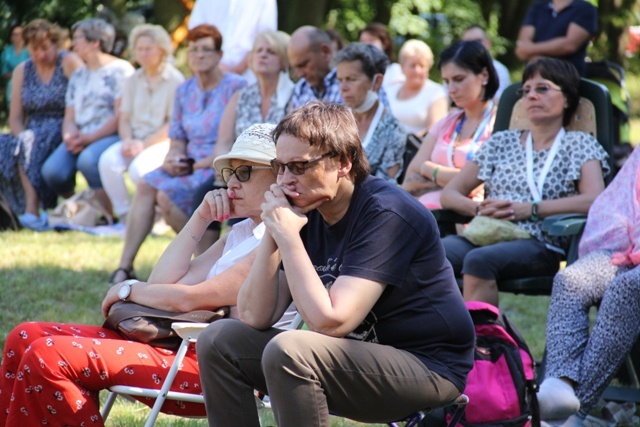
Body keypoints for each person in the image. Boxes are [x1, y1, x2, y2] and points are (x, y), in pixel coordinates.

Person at [196, 101, 475, 427]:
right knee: (219, 339)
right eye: (280, 167)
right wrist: (274, 231)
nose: (286, 179)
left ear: (343, 162)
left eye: (299, 166)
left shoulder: (387, 213)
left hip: (427, 366)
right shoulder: (304, 210)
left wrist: (288, 237)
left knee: (290, 349)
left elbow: (331, 322)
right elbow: (254, 315)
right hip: (352, 361)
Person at [0, 123, 279, 427]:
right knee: (24, 336)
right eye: (229, 173)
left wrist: (128, 290)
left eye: (245, 172)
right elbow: (164, 285)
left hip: (214, 370)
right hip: (177, 346)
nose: (231, 184)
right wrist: (200, 218)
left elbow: (190, 300)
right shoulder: (241, 232)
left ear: (280, 175)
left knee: (49, 355)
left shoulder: (276, 238)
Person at [440, 57, 609, 307]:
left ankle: (485, 343)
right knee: (427, 252)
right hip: (487, 231)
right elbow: (450, 194)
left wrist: (531, 209)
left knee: (478, 261)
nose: (531, 96)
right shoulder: (502, 142)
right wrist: (478, 209)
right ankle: (434, 337)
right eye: (526, 90)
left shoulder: (579, 145)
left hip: (541, 242)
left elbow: (595, 199)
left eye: (542, 88)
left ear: (567, 98)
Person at [108, 24, 246, 284]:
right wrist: (173, 157)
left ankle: (204, 260)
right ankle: (125, 266)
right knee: (147, 184)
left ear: (219, 54)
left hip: (217, 165)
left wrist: (194, 164)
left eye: (206, 49)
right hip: (188, 164)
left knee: (165, 196)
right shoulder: (184, 90)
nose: (199, 55)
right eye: (193, 50)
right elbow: (178, 138)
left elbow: (236, 141)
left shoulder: (236, 86)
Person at [537, 146, 640, 426]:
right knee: (571, 280)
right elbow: (620, 201)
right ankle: (559, 384)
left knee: (627, 288)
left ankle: (572, 413)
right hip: (626, 247)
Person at [193, 29, 293, 248]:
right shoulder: (241, 96)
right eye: (259, 51)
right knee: (204, 193)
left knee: (244, 195)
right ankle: (204, 262)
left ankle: (232, 258)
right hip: (236, 170)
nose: (263, 55)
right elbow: (223, 140)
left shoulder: (294, 96)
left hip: (270, 173)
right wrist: (224, 171)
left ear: (284, 59)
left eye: (271, 52)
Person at [40, 18, 135, 224]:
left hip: (111, 134)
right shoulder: (78, 75)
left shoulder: (121, 70)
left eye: (77, 39)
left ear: (96, 42)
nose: (73, 44)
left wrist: (90, 138)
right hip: (80, 136)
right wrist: (68, 135)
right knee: (52, 172)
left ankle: (113, 217)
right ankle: (88, 210)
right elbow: (70, 115)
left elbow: (120, 115)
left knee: (88, 161)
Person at [98, 24, 185, 227]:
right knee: (107, 162)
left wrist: (143, 144)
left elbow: (172, 124)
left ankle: (155, 215)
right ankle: (126, 217)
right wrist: (127, 140)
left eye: (148, 49)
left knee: (140, 170)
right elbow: (125, 117)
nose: (143, 54)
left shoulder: (175, 80)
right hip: (134, 139)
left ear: (162, 50)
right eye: (139, 49)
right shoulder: (132, 80)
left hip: (162, 142)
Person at [0, 19, 83, 229]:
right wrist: (21, 135)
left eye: (45, 48)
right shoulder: (23, 70)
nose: (40, 55)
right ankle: (14, 208)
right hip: (32, 126)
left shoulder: (68, 62)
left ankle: (32, 208)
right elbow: (16, 116)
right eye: (34, 49)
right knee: (11, 144)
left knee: (34, 143)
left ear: (56, 44)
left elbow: (85, 100)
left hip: (64, 124)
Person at [402, 40, 498, 209]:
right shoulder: (446, 122)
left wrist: (429, 169)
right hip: (423, 216)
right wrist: (462, 182)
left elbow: (487, 185)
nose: (451, 89)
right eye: (446, 81)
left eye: (459, 79)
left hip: (467, 220)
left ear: (484, 76)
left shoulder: (499, 124)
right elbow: (409, 183)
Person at [335, 43, 406, 182]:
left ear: (377, 81)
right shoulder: (335, 120)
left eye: (351, 79)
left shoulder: (393, 130)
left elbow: (386, 186)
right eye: (340, 80)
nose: (343, 87)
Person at [188, 0, 277, 83]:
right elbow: (195, 35)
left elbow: (265, 38)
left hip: (247, 77)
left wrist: (236, 70)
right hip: (208, 77)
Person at [515, 0, 597, 76]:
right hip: (533, 76)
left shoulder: (585, 9)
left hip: (567, 79)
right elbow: (522, 48)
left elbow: (569, 45)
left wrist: (532, 52)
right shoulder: (538, 7)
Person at [385, 39, 448, 136]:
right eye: (412, 66)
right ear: (402, 67)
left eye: (422, 66)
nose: (417, 71)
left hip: (417, 147)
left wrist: (405, 141)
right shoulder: (390, 90)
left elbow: (436, 129)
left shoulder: (436, 93)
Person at [287, 26, 342, 111]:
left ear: (325, 52)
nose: (300, 74)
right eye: (296, 68)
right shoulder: (301, 88)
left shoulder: (347, 85)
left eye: (303, 64)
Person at [461, 25, 511, 101]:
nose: (472, 47)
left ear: (488, 43)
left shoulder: (499, 70)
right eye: (467, 43)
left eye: (477, 42)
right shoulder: (455, 70)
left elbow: (500, 102)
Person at [358, 22, 404, 87]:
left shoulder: (396, 71)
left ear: (385, 43)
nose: (366, 45)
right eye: (363, 42)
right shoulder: (358, 73)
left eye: (371, 40)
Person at [1, 24, 30, 110]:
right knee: (12, 84)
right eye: (14, 34)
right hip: (12, 82)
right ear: (11, 37)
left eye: (20, 34)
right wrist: (17, 77)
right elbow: (4, 72)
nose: (17, 37)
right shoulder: (6, 52)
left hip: (28, 81)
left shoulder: (30, 50)